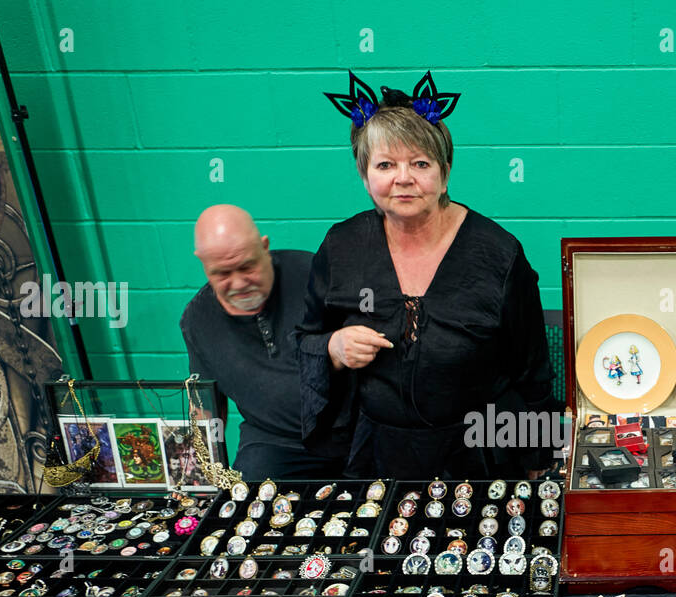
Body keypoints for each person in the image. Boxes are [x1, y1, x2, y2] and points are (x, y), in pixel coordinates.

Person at [294, 70, 554, 479]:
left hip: (480, 455)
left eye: (420, 163)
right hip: (375, 457)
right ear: (364, 176)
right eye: (385, 164)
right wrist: (334, 347)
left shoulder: (499, 254)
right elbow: (305, 341)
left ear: (444, 171)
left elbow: (532, 373)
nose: (403, 178)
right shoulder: (341, 246)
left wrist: (538, 463)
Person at [181, 205, 348, 479]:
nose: (238, 283)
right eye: (222, 274)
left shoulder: (317, 275)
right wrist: (201, 474)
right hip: (273, 442)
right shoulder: (197, 319)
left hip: (349, 431)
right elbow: (206, 405)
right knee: (243, 502)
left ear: (265, 248)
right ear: (203, 263)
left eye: (247, 266)